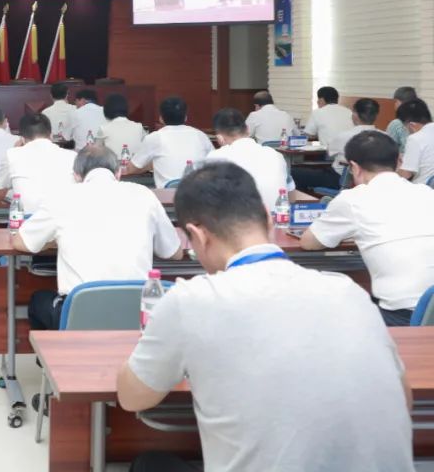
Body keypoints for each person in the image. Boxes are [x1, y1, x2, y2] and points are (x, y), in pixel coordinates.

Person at [118, 162, 413, 472]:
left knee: (149, 464)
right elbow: (402, 399)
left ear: (197, 236)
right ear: (270, 220)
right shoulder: (350, 292)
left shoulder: (189, 301)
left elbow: (132, 398)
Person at [13, 145, 181, 331]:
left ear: (76, 176)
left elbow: (21, 242)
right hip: (137, 316)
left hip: (80, 319)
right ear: (118, 173)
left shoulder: (62, 197)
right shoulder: (145, 195)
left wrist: (53, 242)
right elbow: (175, 253)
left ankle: (54, 349)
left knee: (38, 301)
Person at [301, 130, 434, 326]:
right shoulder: (426, 192)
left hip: (405, 317)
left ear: (354, 167)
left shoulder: (352, 199)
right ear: (399, 160)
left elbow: (309, 243)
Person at [205, 107, 292, 210]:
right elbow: (291, 196)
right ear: (248, 129)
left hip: (239, 218)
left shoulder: (215, 157)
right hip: (278, 218)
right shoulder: (276, 155)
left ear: (219, 138)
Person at [0, 113, 75, 212]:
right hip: (64, 218)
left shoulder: (12, 155)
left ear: (22, 139)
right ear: (51, 136)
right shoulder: (72, 156)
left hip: (28, 220)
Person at [127, 97, 214, 188]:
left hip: (167, 194)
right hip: (199, 192)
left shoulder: (155, 137)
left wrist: (150, 166)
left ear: (161, 118)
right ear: (185, 117)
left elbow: (131, 168)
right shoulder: (200, 136)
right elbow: (216, 164)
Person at [398, 99, 434, 184]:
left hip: (422, 188)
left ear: (411, 125)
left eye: (405, 127)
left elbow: (405, 174)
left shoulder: (415, 138)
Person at [98, 93, 145, 158]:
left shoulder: (103, 129)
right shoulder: (139, 127)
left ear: (106, 110)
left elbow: (96, 153)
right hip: (134, 163)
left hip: (112, 164)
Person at [387, 86, 417, 156]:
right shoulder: (424, 120)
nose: (394, 105)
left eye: (396, 102)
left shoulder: (396, 124)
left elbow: (388, 150)